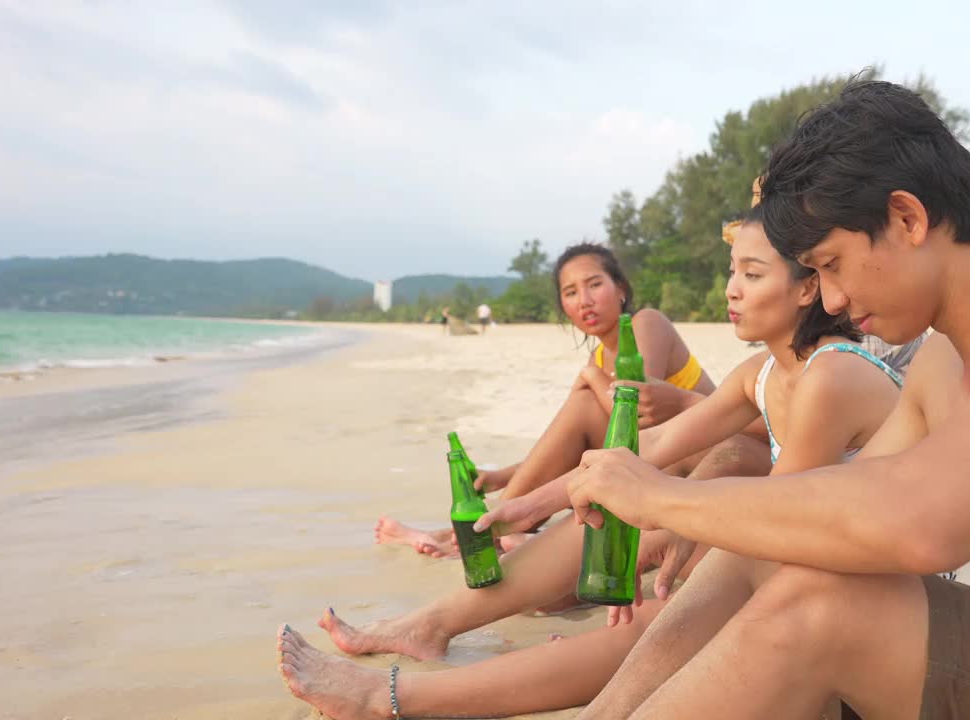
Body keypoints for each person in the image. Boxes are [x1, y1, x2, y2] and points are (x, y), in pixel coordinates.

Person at [558, 80, 970, 719]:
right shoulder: (944, 361)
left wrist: (663, 498)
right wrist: (670, 518)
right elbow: (828, 509)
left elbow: (919, 524)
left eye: (831, 265)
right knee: (784, 549)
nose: (831, 302)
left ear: (906, 217)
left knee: (824, 604)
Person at [275, 202, 920, 719]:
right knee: (647, 578)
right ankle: (405, 681)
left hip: (856, 615)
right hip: (800, 572)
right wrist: (526, 508)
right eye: (732, 272)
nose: (730, 290)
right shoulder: (760, 372)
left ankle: (390, 699)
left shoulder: (830, 378)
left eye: (751, 275)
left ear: (810, 286)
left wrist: (672, 530)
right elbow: (651, 451)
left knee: (658, 614)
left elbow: (777, 522)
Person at [375, 242, 718, 558]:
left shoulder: (647, 323)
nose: (584, 300)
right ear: (564, 307)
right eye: (571, 292)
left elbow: (639, 415)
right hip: (657, 458)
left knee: (585, 405)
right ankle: (469, 531)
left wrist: (590, 378)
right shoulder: (599, 359)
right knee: (584, 412)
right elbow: (572, 443)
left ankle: (481, 535)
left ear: (621, 290)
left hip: (705, 459)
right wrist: (505, 475)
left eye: (595, 284)